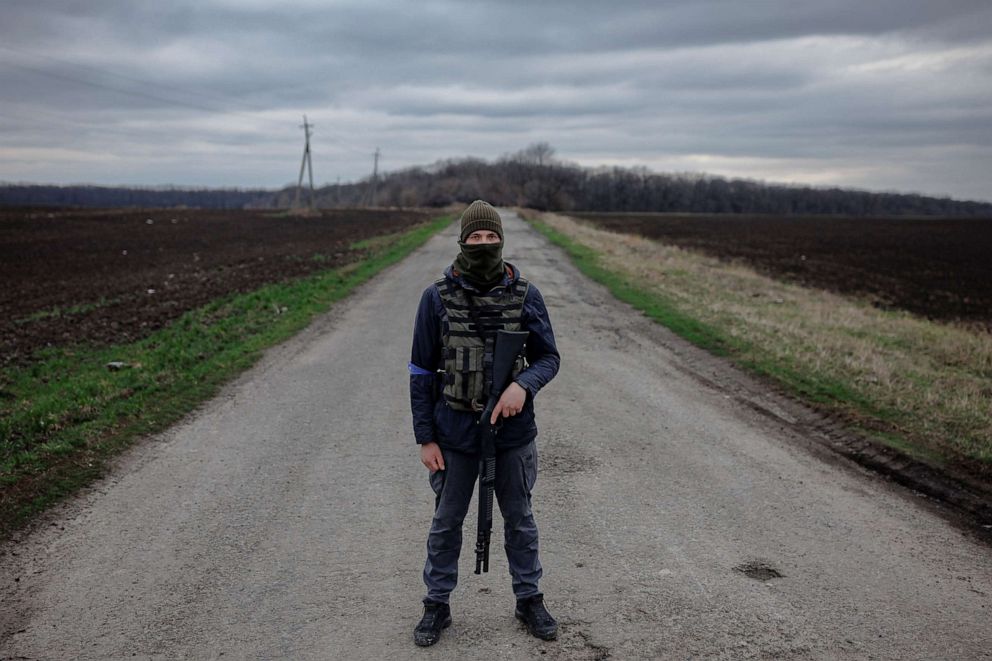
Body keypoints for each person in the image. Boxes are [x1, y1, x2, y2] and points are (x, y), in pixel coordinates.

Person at [408, 200, 561, 647]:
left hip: (512, 433)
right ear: (462, 241)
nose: (483, 244)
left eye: (490, 237)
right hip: (453, 433)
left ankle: (529, 599)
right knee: (446, 522)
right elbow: (420, 372)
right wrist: (424, 438)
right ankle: (436, 605)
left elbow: (549, 357)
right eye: (475, 237)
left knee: (520, 520)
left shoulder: (526, 294)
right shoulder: (435, 298)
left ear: (501, 240)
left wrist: (523, 386)